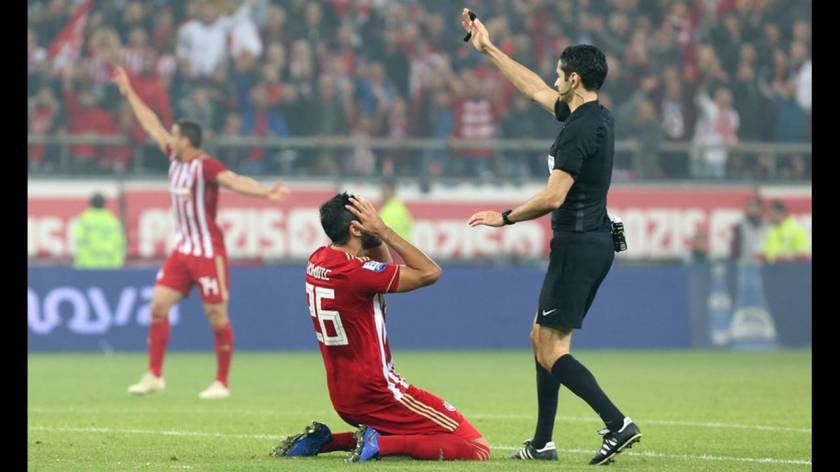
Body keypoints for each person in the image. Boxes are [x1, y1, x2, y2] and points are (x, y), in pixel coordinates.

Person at [461, 10, 641, 465]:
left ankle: (617, 423)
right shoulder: (595, 116)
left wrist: (504, 217)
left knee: (550, 347)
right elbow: (533, 89)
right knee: (541, 338)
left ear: (574, 79)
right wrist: (489, 49)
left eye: (560, 74)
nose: (554, 80)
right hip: (591, 242)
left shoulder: (577, 131)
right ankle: (542, 443)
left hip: (578, 245)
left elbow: (554, 196)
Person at [112, 66, 289, 399]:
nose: (170, 138)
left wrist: (264, 192)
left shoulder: (205, 166)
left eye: (175, 135)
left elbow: (233, 181)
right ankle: (154, 375)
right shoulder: (174, 158)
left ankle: (222, 382)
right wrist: (128, 91)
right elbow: (150, 123)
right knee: (158, 305)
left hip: (208, 251)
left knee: (216, 315)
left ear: (187, 141)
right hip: (182, 249)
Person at [272, 193, 489, 462]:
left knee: (417, 431)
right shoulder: (357, 272)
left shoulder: (318, 259)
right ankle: (378, 446)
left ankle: (326, 441)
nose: (376, 219)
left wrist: (373, 236)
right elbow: (429, 272)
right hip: (377, 392)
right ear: (355, 229)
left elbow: (383, 270)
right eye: (369, 216)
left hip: (342, 393)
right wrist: (384, 231)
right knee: (475, 446)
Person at [73, 193, 126, 269]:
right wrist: (117, 264)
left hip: (88, 265)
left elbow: (79, 242)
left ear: (90, 203)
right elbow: (120, 244)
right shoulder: (112, 220)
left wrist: (81, 263)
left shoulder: (84, 219)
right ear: (104, 204)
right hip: (109, 265)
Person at [730, 196, 768, 262]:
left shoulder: (768, 226)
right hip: (745, 264)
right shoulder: (740, 227)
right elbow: (735, 252)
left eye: (756, 206)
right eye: (750, 206)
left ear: (761, 208)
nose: (753, 209)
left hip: (765, 265)